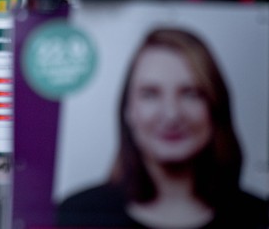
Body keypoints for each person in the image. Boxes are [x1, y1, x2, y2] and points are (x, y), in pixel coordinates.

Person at [56, 28, 268, 228]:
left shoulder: (259, 216)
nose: (172, 115)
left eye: (191, 93)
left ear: (215, 106)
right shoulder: (78, 213)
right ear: (128, 111)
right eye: (150, 94)